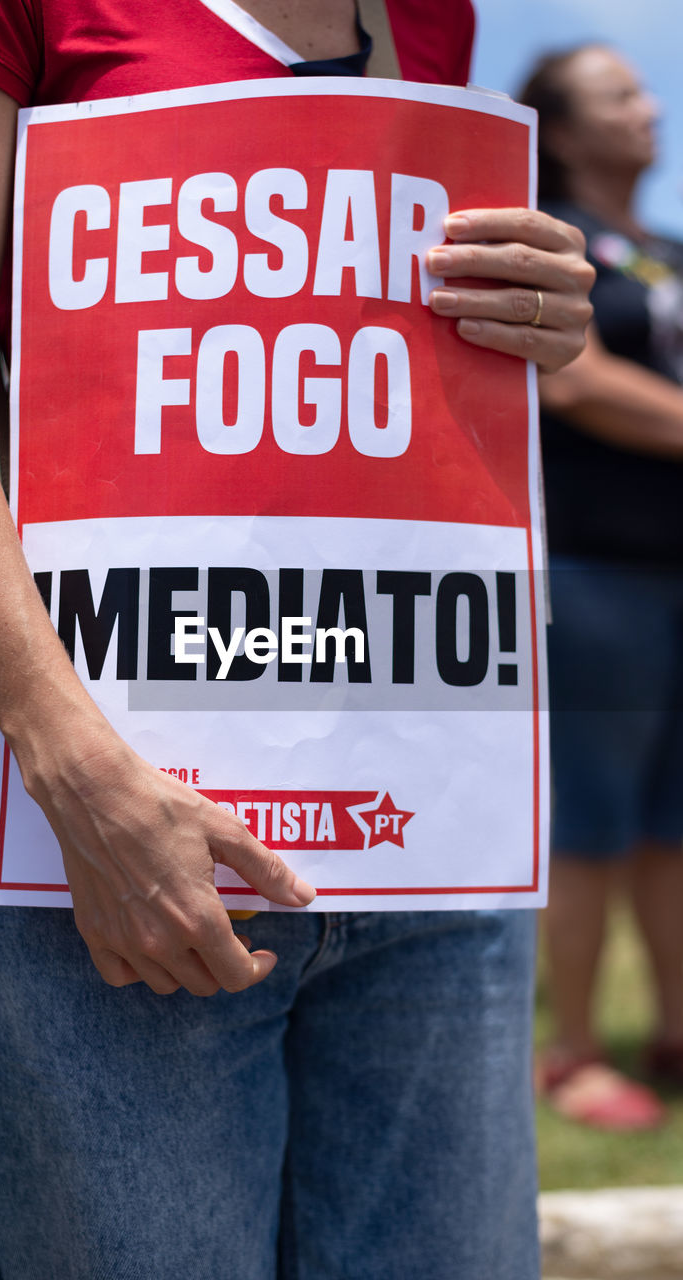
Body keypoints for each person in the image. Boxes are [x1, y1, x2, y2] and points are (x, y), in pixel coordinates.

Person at [0, 3, 593, 1276]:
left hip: (424, 810)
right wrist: (70, 764)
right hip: (96, 812)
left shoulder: (431, 17)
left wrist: (536, 312)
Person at [521, 45, 683, 1131]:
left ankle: (672, 1029)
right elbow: (567, 375)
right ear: (565, 133)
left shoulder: (662, 249)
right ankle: (570, 1050)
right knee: (584, 822)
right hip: (586, 568)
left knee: (670, 823)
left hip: (671, 567)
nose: (650, 105)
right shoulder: (547, 243)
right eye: (619, 94)